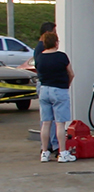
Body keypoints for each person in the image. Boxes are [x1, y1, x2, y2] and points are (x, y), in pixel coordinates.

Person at [35, 32, 75, 163]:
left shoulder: (40, 57)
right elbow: (71, 73)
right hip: (59, 90)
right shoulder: (61, 56)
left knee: (46, 123)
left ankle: (45, 152)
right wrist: (66, 85)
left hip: (44, 90)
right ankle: (62, 152)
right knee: (59, 123)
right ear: (56, 42)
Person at [33, 22, 58, 153]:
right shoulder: (43, 50)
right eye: (54, 32)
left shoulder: (38, 49)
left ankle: (46, 146)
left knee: (46, 118)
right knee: (52, 119)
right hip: (48, 85)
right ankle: (53, 144)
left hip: (44, 85)